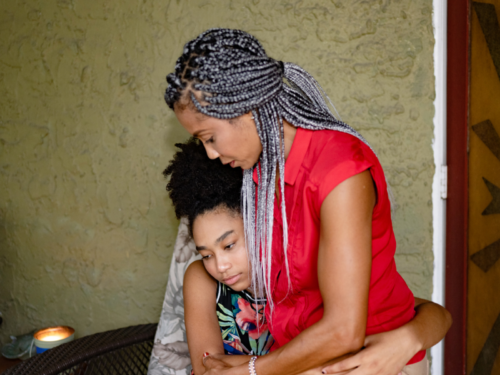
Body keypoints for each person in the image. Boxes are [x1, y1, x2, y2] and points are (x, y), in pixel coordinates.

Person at [163, 28, 452, 375]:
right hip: (306, 361)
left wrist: (252, 369)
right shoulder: (258, 175)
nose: (210, 153)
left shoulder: (340, 172)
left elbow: (344, 332)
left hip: (366, 364)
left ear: (247, 108)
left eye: (210, 138)